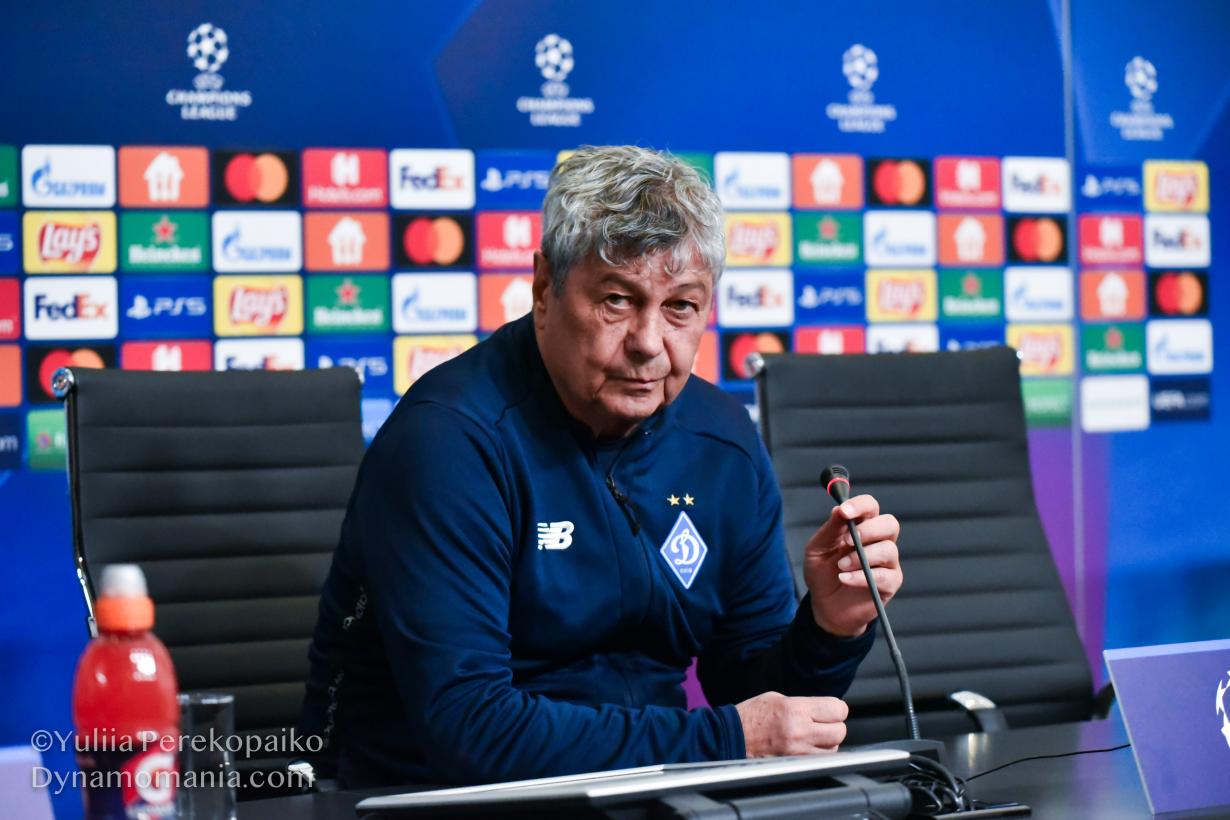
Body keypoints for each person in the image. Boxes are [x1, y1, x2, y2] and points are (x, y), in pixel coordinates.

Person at [301, 145, 904, 788]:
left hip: (653, 790)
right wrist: (726, 740)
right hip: (426, 799)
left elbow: (757, 697)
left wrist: (830, 626)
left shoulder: (722, 440)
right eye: (618, 300)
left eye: (680, 306)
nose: (649, 343)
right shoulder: (449, 441)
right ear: (545, 289)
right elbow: (470, 728)